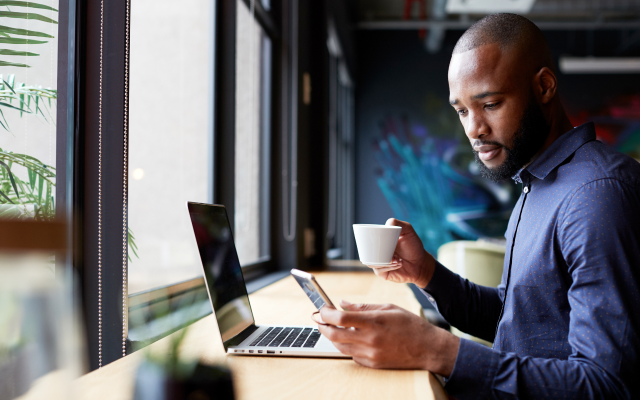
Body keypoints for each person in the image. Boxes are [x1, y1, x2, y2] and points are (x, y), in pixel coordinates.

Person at [318, 13, 640, 399]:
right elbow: (516, 319)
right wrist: (427, 274)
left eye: (489, 103)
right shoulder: (537, 183)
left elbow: (607, 386)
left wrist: (436, 349)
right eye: (462, 111)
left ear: (544, 87)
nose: (473, 128)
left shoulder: (597, 195)